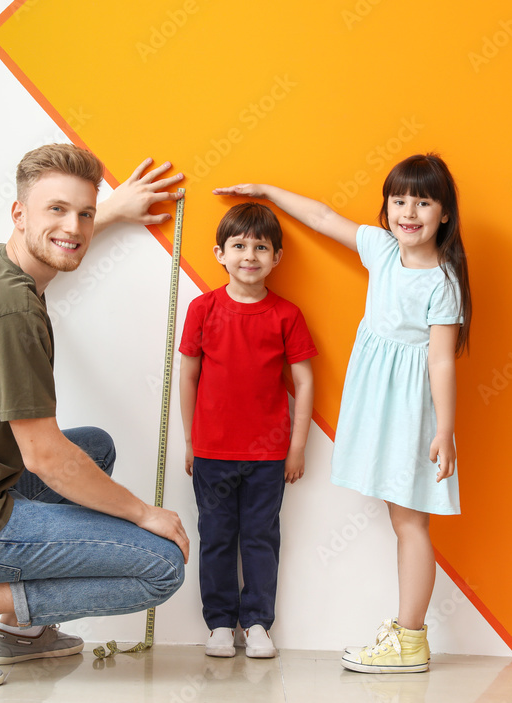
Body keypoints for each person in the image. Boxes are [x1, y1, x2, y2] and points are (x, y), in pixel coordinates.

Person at [0, 144, 190, 688]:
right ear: (19, 214)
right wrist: (144, 514)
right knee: (161, 565)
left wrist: (109, 211)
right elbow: (44, 457)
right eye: (57, 211)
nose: (74, 226)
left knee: (95, 446)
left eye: (84, 213)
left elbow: (56, 239)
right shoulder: (11, 310)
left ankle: (23, 634)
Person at [213, 153, 471, 673]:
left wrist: (444, 429)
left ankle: (410, 638)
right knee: (405, 522)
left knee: (411, 524)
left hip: (408, 411)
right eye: (399, 200)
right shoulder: (381, 249)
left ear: (444, 213)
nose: (409, 211)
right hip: (376, 403)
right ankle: (407, 636)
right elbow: (323, 217)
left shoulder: (442, 282)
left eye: (423, 201)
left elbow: (441, 360)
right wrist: (267, 187)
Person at [178, 203, 317, 659]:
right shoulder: (202, 308)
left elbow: (304, 381)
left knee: (261, 538)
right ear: (220, 253)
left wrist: (297, 448)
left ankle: (257, 623)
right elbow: (188, 376)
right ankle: (219, 624)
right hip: (212, 453)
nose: (249, 255)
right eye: (239, 246)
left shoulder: (287, 315)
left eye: (261, 247)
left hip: (268, 456)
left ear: (276, 257)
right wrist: (189, 441)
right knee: (216, 536)